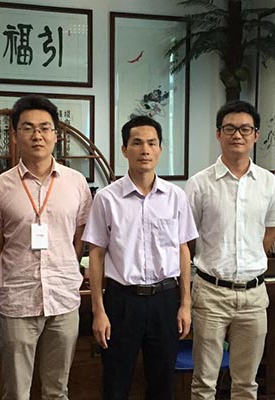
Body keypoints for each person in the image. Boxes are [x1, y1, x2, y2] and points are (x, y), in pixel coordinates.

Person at [0, 95, 92, 400]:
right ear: (15, 135)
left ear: (56, 134)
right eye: (28, 128)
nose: (37, 135)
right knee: (16, 391)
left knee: (57, 390)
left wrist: (66, 268)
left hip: (63, 298)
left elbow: (78, 238)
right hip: (18, 299)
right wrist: (13, 273)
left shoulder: (76, 183)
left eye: (44, 128)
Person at [82, 115, 198, 399]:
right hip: (122, 301)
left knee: (162, 384)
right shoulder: (107, 198)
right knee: (116, 382)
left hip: (165, 300)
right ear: (124, 150)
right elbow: (96, 255)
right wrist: (99, 310)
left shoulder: (176, 196)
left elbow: (183, 249)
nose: (145, 150)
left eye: (151, 143)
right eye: (137, 143)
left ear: (160, 149)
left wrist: (185, 304)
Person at [184, 100, 275, 399]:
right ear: (218, 134)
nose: (237, 135)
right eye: (229, 128)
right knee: (204, 382)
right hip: (211, 293)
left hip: (254, 295)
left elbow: (271, 228)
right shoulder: (199, 183)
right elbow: (187, 237)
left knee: (246, 383)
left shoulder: (268, 182)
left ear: (256, 135)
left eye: (245, 129)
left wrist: (253, 256)